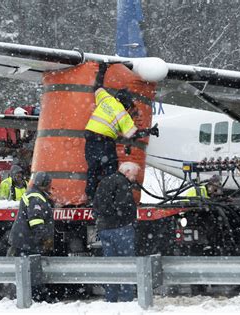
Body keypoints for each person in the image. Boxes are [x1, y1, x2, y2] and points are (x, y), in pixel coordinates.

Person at [84, 63, 159, 203]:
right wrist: (150, 131)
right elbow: (134, 134)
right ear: (126, 104)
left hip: (90, 138)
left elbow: (97, 87)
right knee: (110, 171)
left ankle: (90, 198)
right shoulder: (122, 114)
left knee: (93, 169)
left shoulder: (106, 99)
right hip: (105, 141)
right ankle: (110, 198)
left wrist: (102, 70)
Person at [93, 161, 140, 302]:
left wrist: (103, 219)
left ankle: (111, 297)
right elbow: (124, 206)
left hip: (104, 229)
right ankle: (127, 298)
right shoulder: (122, 183)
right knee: (127, 264)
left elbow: (96, 204)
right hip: (120, 228)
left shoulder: (105, 181)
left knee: (111, 264)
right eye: (134, 175)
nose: (135, 179)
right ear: (126, 172)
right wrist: (129, 221)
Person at [8, 172, 54, 256]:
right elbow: (36, 221)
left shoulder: (34, 194)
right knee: (29, 268)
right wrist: (45, 239)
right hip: (27, 245)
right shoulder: (36, 198)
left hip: (24, 243)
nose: (51, 186)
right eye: (50, 183)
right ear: (45, 184)